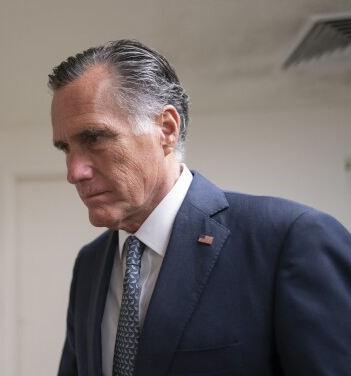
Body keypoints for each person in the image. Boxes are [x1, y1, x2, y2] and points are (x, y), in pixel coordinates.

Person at [48, 39, 351, 376]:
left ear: (166, 130)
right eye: (65, 148)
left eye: (94, 138)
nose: (74, 172)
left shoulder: (291, 239)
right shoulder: (89, 263)